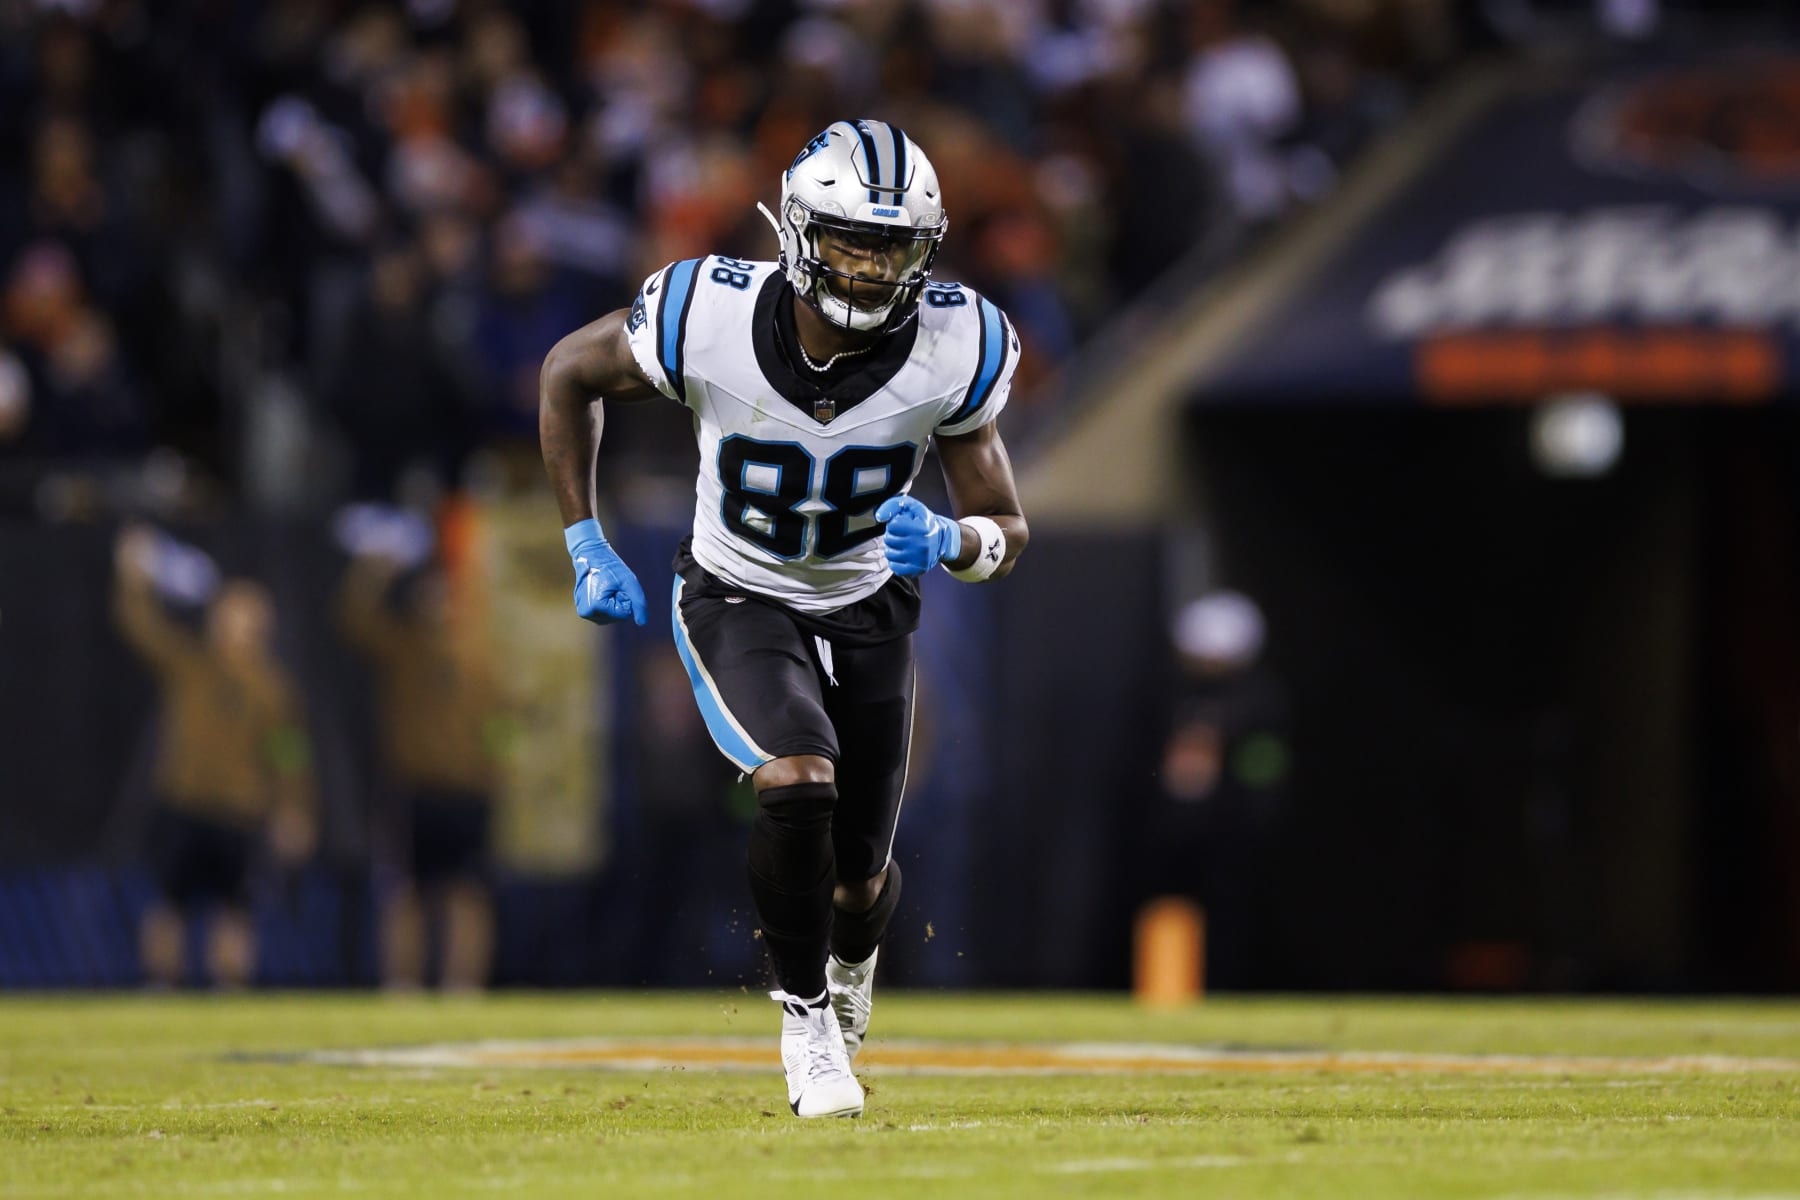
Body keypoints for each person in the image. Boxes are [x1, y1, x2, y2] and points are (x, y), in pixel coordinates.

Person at [539, 120, 1028, 1118]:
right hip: (739, 590)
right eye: (852, 241)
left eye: (892, 247)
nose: (871, 267)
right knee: (798, 780)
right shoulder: (705, 315)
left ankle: (848, 969)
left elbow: (1006, 528)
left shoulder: (958, 342)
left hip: (867, 604)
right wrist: (584, 539)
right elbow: (567, 372)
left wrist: (952, 539)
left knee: (860, 880)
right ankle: (805, 1024)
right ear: (799, 229)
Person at [112, 525, 315, 988]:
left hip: (240, 812)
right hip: (185, 803)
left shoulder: (274, 690)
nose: (237, 622)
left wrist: (294, 808)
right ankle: (160, 987)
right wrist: (133, 578)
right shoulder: (190, 664)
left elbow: (288, 754)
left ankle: (230, 992)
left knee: (236, 911)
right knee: (168, 905)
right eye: (231, 611)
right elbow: (139, 626)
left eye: (247, 614)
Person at [337, 550, 504, 992]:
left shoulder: (480, 658)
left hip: (468, 790)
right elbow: (354, 620)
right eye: (430, 594)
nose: (438, 603)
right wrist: (373, 569)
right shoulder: (403, 646)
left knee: (467, 894)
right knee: (403, 891)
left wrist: (495, 770)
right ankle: (402, 984)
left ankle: (462, 986)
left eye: (446, 595)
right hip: (413, 788)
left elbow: (502, 725)